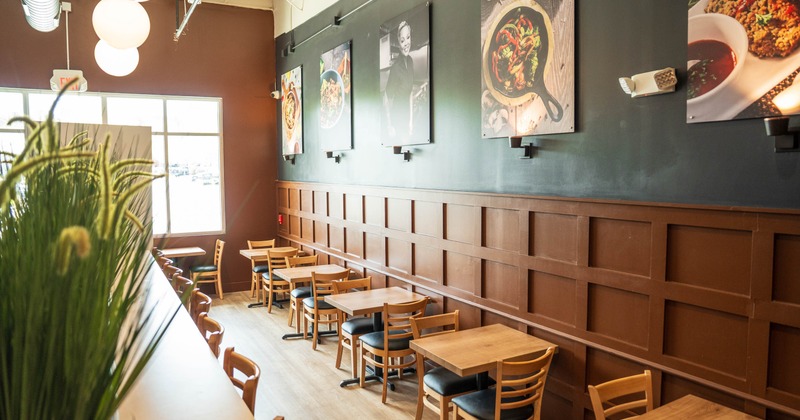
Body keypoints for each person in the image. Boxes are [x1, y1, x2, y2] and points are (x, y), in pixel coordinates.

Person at [383, 21, 414, 142]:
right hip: (397, 119)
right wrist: (389, 125)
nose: (406, 43)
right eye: (402, 40)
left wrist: (411, 121)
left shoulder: (411, 61)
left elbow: (411, 92)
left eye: (408, 37)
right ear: (399, 43)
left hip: (407, 117)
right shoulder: (395, 68)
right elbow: (386, 97)